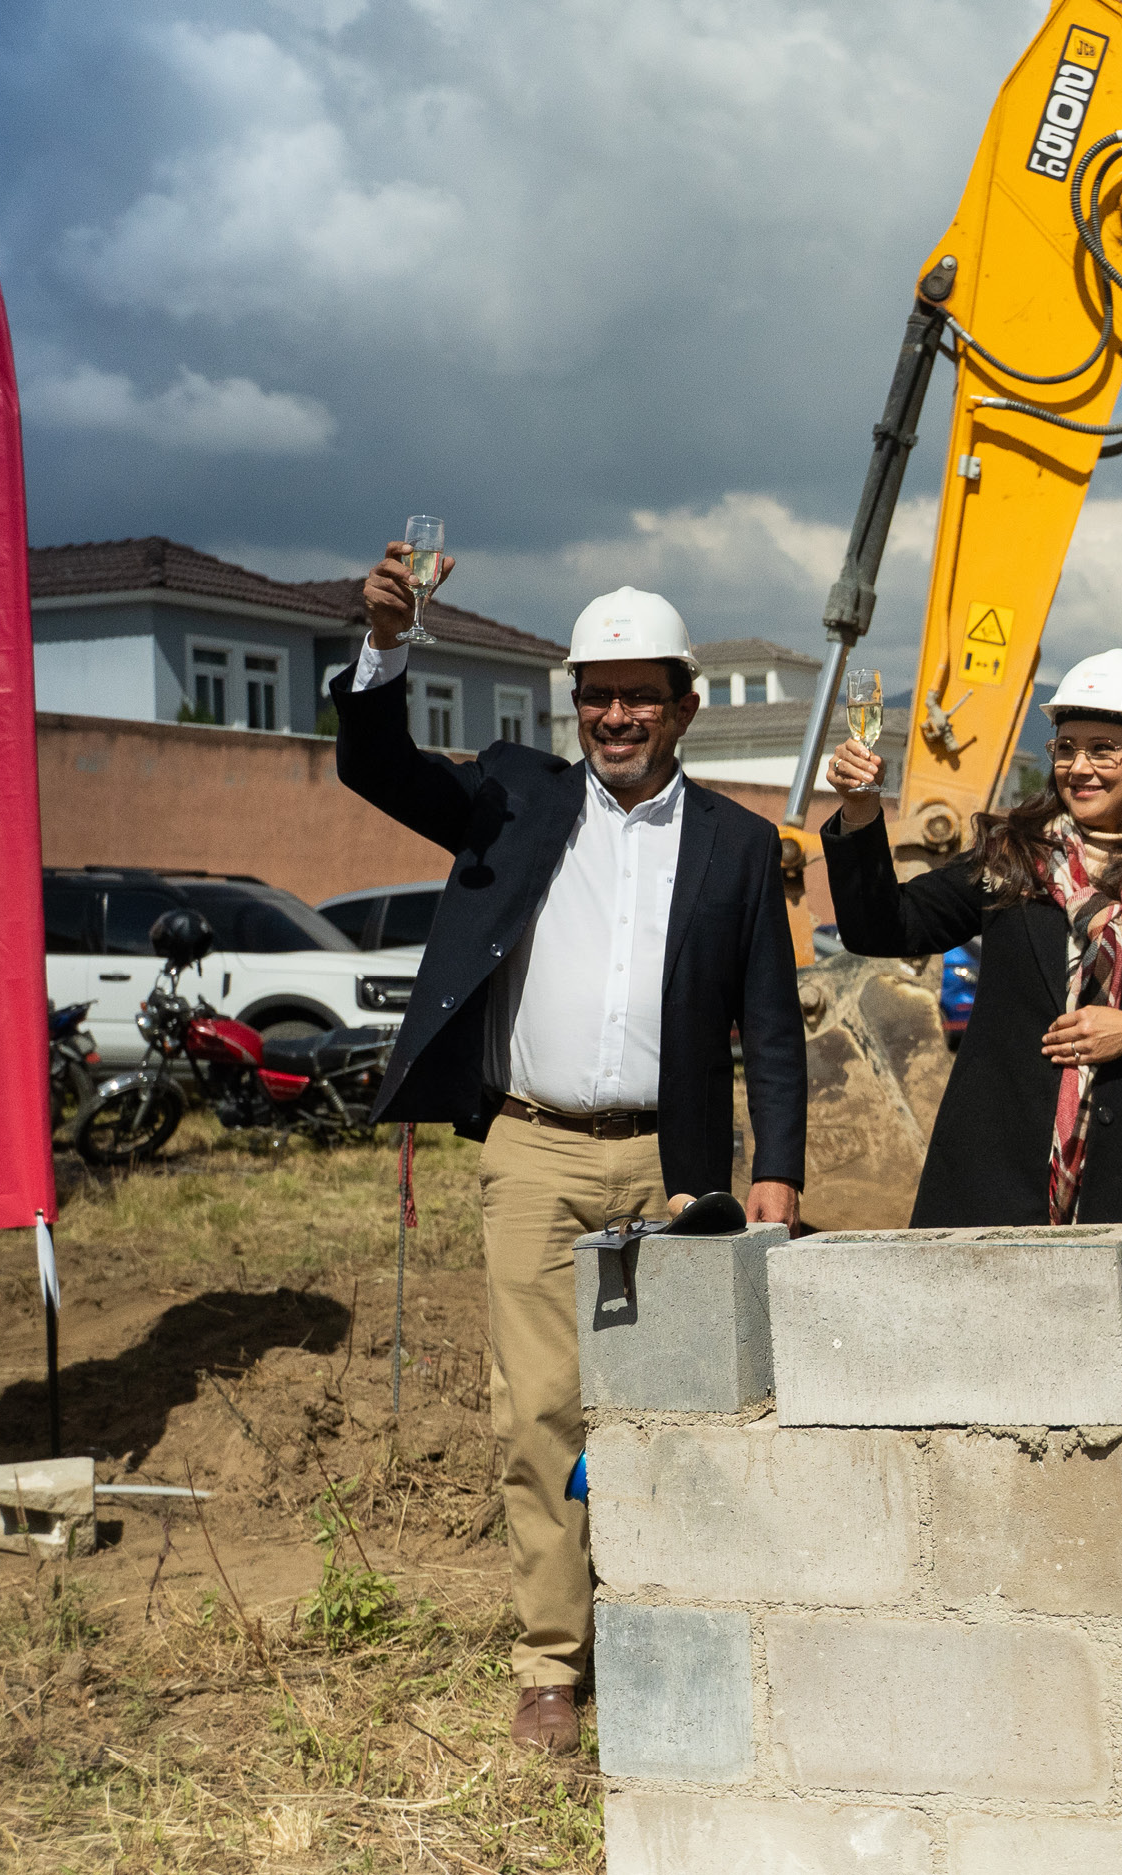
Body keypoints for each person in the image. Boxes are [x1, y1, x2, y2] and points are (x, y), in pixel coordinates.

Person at [330, 549, 805, 1752]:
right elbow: (373, 762)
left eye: (640, 693)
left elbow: (773, 1028)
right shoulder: (513, 796)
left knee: (686, 1411)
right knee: (538, 1412)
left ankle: (686, 1627)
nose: (616, 715)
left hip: (676, 1167)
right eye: (596, 693)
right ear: (573, 705)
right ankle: (553, 1660)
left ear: (686, 704)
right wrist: (385, 646)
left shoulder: (742, 849)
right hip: (535, 1157)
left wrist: (773, 1183)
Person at [822, 648, 1122, 1225]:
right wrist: (860, 811)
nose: (1079, 767)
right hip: (997, 1188)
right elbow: (882, 927)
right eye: (1066, 748)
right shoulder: (1012, 856)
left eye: (1103, 750)